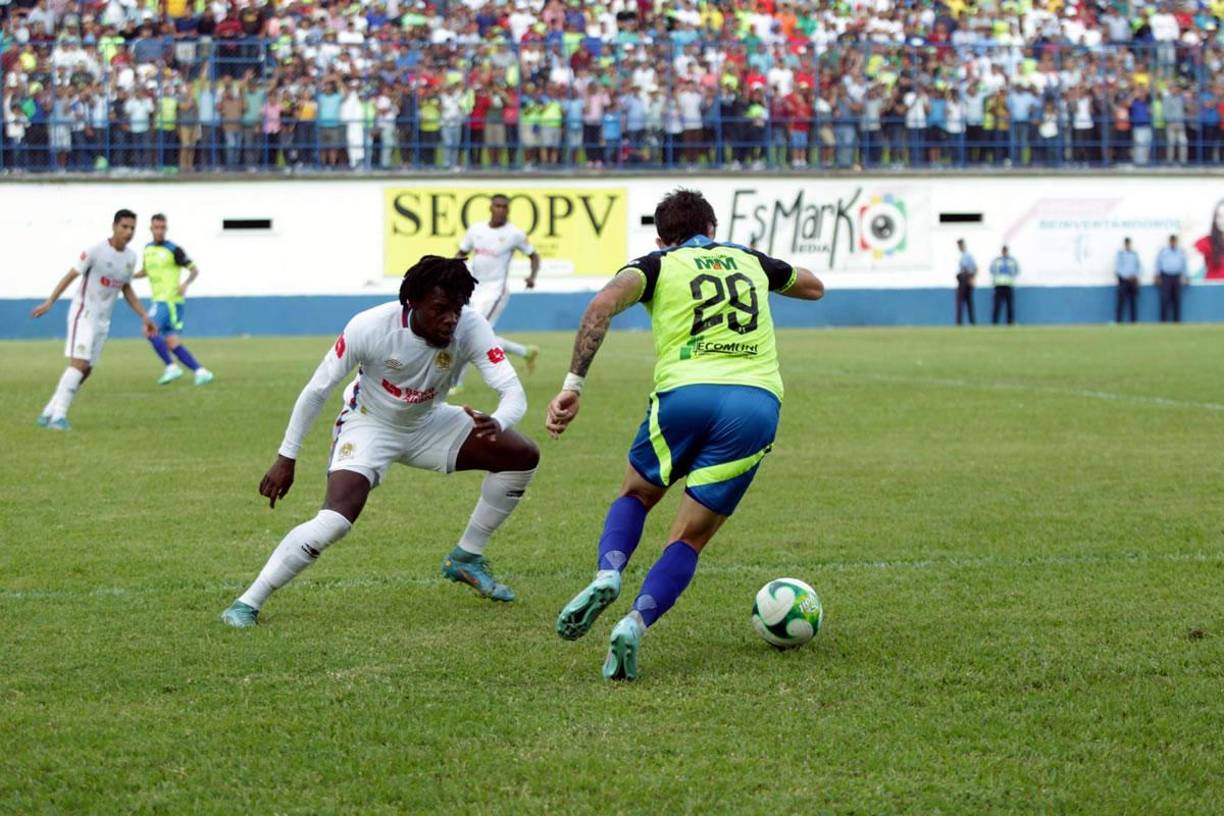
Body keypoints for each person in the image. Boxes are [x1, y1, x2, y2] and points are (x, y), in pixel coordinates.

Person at [546, 189, 825, 681]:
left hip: (684, 396)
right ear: (713, 229)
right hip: (755, 404)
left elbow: (601, 305)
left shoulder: (654, 265)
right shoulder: (749, 260)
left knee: (636, 494)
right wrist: (758, 266)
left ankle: (608, 572)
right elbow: (813, 286)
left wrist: (573, 386)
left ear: (661, 238)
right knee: (689, 538)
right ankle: (635, 622)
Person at [220, 257, 538, 628]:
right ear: (412, 302)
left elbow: (513, 392)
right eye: (440, 309)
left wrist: (498, 421)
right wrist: (286, 457)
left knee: (521, 455)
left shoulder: (470, 326)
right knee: (335, 521)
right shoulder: (370, 327)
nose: (450, 319)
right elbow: (318, 389)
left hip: (428, 422)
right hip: (368, 424)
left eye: (456, 308)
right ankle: (247, 603)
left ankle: (466, 557)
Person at [30, 209, 157, 430]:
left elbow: (126, 288)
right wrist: (50, 301)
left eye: (132, 228)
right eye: (124, 227)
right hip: (83, 314)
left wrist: (144, 316)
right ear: (114, 226)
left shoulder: (130, 258)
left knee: (86, 370)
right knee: (79, 364)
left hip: (102, 320)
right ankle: (59, 417)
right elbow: (71, 275)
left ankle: (49, 411)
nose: (128, 232)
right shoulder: (96, 251)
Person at [452, 193, 541, 389]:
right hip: (475, 289)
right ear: (490, 208)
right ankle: (525, 351)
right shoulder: (476, 230)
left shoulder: (514, 234)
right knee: (479, 334)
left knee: (469, 331)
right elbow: (462, 253)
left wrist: (532, 277)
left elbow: (534, 256)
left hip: (496, 291)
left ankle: (456, 383)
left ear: (508, 210)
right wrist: (451, 272)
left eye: (504, 207)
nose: (500, 210)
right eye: (497, 206)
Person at [134, 213, 214, 385]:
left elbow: (194, 269)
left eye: (162, 228)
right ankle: (201, 372)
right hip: (160, 300)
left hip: (169, 300)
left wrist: (186, 284)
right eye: (156, 227)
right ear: (151, 229)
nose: (159, 231)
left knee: (148, 329)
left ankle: (171, 367)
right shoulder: (148, 249)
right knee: (171, 342)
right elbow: (146, 271)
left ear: (166, 229)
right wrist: (130, 276)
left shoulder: (174, 249)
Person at [1155, 234, 1188, 323]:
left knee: (1176, 300)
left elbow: (1184, 265)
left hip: (1177, 277)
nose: (1173, 242)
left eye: (1174, 241)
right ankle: (1163, 321)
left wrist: (1186, 276)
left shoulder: (1181, 251)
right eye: (1172, 241)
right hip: (1166, 277)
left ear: (1176, 241)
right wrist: (1157, 275)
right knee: (1164, 299)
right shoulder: (1163, 251)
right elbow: (1158, 263)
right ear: (1169, 241)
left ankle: (1176, 321)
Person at [1192, 198, 1224, 281]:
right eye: (1219, 216)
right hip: (1213, 286)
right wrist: (1184, 232)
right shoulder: (1208, 241)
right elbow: (1188, 253)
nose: (1222, 220)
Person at [989, 245, 1019, 325]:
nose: (1005, 252)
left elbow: (1016, 271)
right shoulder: (997, 261)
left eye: (1006, 250)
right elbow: (992, 270)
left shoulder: (1012, 261)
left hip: (1008, 285)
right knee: (997, 305)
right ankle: (995, 322)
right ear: (1002, 251)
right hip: (999, 285)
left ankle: (1010, 322)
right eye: (1004, 250)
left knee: (1010, 305)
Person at [1114, 237, 1142, 323]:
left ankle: (1133, 321)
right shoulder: (1120, 254)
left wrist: (1136, 276)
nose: (1128, 245)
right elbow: (1117, 267)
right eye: (1126, 243)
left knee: (1133, 302)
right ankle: (1119, 321)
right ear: (1124, 244)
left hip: (1133, 281)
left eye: (1129, 243)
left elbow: (1138, 266)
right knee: (1121, 302)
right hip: (1123, 280)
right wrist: (1125, 276)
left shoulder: (1134, 254)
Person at [955, 238, 977, 325]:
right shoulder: (963, 256)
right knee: (966, 302)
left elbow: (974, 268)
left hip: (966, 279)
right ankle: (963, 322)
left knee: (964, 302)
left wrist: (971, 279)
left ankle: (963, 322)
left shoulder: (968, 256)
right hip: (963, 279)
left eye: (960, 245)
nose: (959, 247)